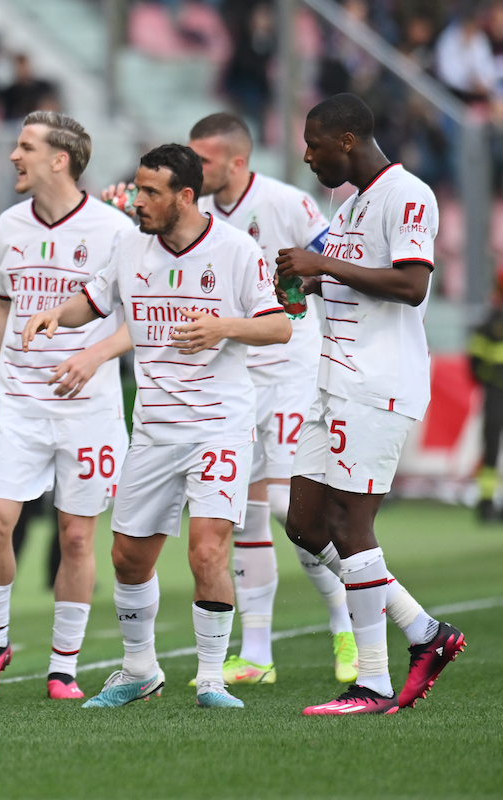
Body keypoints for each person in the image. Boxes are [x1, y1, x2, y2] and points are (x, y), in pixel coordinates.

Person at [24, 143, 292, 710]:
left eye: (151, 192)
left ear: (186, 196)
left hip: (219, 423)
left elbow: (278, 330)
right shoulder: (129, 247)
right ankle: (140, 670)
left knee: (207, 551)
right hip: (152, 427)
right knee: (127, 556)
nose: (139, 201)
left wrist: (223, 326)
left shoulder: (236, 250)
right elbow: (94, 302)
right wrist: (55, 313)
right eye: (138, 189)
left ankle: (214, 678)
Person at [279, 93, 465, 715]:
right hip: (332, 380)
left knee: (347, 527)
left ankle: (373, 683)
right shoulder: (349, 204)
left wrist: (323, 262)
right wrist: (312, 280)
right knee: (303, 522)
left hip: (378, 384)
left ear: (348, 140)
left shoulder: (407, 194)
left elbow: (413, 286)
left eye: (315, 144)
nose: (308, 156)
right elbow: (352, 272)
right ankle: (423, 632)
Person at [0, 112, 134, 701]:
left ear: (60, 159)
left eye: (25, 146)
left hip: (89, 408)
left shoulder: (113, 230)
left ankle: (63, 665)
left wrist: (93, 357)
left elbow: (141, 316)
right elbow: (1, 308)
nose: (13, 155)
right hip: (19, 402)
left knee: (77, 539)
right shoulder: (9, 224)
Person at [188, 112, 358, 685]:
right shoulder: (198, 214)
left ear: (237, 162)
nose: (194, 169)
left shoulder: (286, 202)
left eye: (204, 159)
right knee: (247, 514)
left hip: (290, 370)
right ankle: (257, 654)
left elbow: (335, 266)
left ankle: (351, 626)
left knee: (291, 509)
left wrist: (335, 348)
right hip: (235, 379)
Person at [468, 268, 503, 522]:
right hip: (496, 391)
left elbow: (475, 359)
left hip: (495, 390)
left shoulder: (490, 319)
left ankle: (487, 502)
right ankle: (487, 502)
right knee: (490, 448)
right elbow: (475, 359)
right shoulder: (491, 319)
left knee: (490, 447)